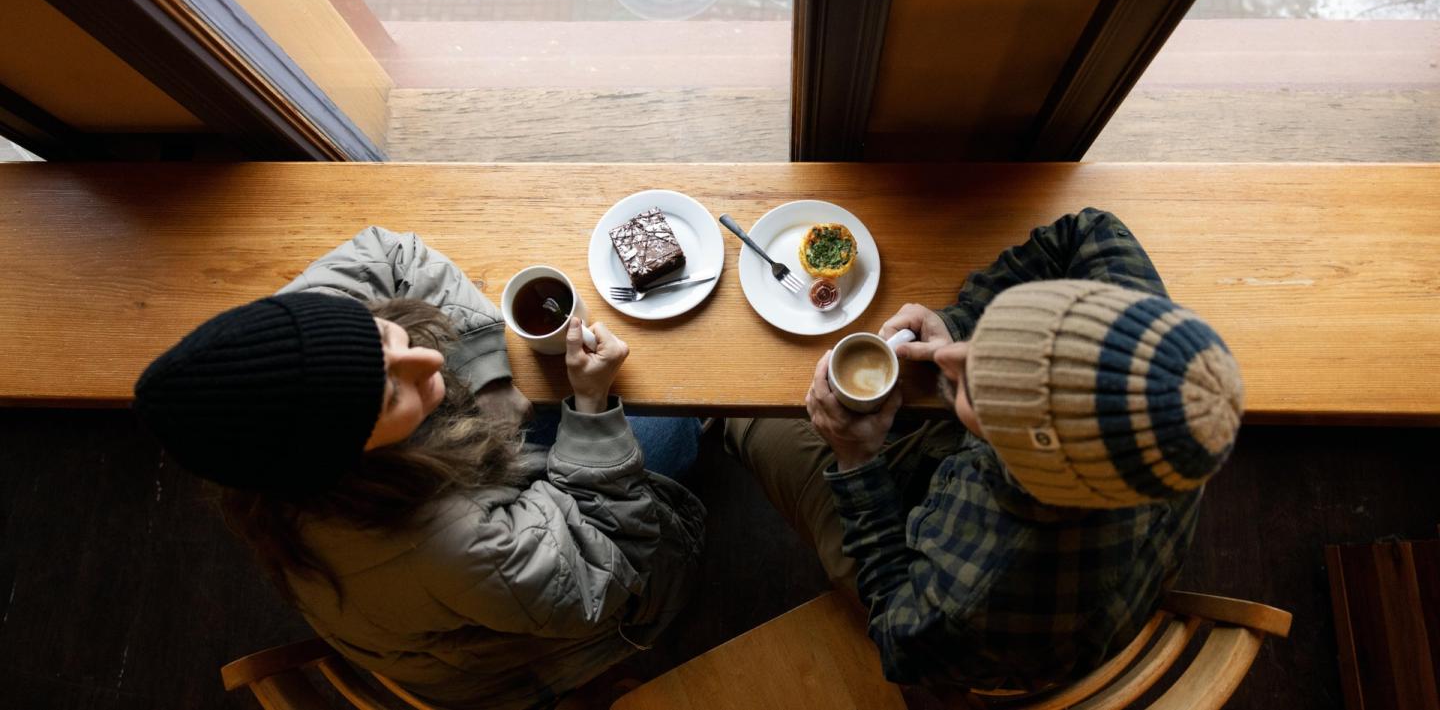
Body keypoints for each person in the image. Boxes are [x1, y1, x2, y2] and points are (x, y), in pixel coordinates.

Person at [134, 226, 705, 710]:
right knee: (672, 425)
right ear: (350, 455)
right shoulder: (446, 542)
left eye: (386, 335)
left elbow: (387, 253)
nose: (430, 358)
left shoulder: (291, 359)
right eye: (392, 394)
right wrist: (590, 405)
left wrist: (488, 380)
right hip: (536, 646)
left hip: (478, 582)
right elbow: (609, 567)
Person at [726, 208, 1243, 695]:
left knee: (750, 419)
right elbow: (1091, 231)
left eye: (977, 386)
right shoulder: (1163, 363)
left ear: (1008, 461)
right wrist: (964, 320)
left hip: (984, 613)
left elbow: (895, 632)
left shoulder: (965, 603)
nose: (950, 358)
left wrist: (857, 461)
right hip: (1115, 561)